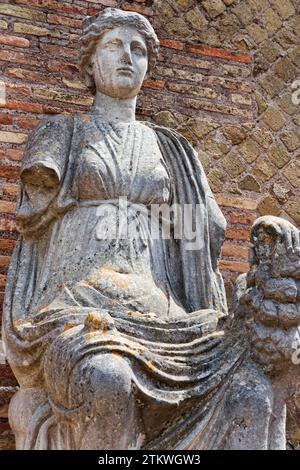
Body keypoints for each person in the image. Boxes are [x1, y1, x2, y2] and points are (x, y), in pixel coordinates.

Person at [3, 8, 300, 450]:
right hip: (78, 305)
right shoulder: (62, 132)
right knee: (106, 377)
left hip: (162, 312)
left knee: (249, 386)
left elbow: (197, 234)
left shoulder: (171, 147)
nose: (128, 57)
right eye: (114, 46)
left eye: (138, 50)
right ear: (89, 63)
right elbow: (35, 211)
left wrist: (268, 244)